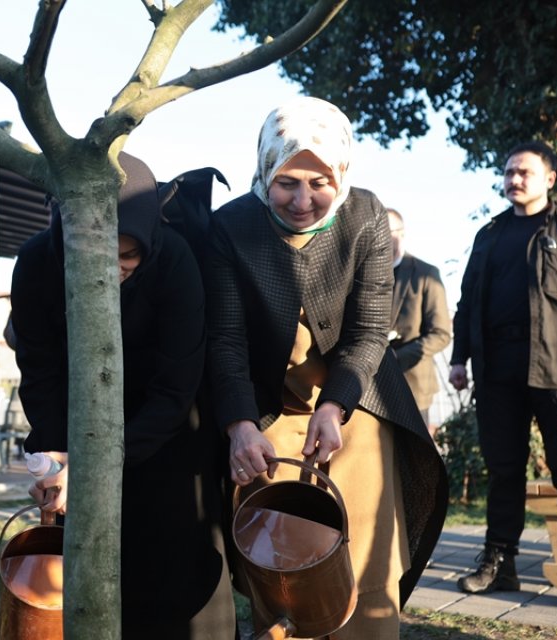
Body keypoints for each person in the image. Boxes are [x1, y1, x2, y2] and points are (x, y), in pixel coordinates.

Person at [207, 97, 447, 639]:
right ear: (266, 167)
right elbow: (224, 339)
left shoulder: (364, 217)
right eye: (288, 181)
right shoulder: (230, 229)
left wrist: (334, 407)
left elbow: (368, 332)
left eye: (320, 183)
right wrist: (239, 426)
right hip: (266, 409)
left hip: (353, 401)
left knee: (365, 551)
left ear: (341, 174)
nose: (303, 200)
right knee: (275, 550)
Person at [11, 152, 234, 637]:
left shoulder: (175, 260)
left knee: (173, 564)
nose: (111, 270)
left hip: (168, 427)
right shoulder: (35, 263)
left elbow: (177, 386)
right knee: (88, 557)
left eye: (128, 255)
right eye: (94, 254)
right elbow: (39, 368)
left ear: (148, 242)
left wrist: (99, 468)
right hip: (78, 417)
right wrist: (58, 455)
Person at [449, 141, 557, 610]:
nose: (514, 179)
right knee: (503, 471)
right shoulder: (488, 235)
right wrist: (460, 359)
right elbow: (466, 304)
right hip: (498, 371)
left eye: (524, 171)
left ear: (550, 178)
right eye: (508, 172)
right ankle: (500, 564)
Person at [386, 208, 452, 431]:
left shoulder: (425, 273)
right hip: (369, 387)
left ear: (402, 234)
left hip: (413, 384)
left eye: (389, 231)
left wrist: (396, 358)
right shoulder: (361, 273)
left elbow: (441, 334)